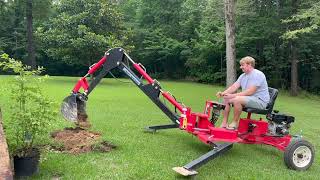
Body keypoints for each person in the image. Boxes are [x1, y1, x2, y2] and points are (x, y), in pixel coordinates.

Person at [216, 56, 270, 130]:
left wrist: (232, 95)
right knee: (226, 98)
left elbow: (250, 92)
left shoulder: (258, 74)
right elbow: (234, 87)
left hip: (260, 101)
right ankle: (224, 123)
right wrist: (223, 93)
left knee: (236, 99)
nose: (241, 67)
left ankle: (234, 123)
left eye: (242, 65)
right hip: (249, 99)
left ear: (249, 65)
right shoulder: (243, 76)